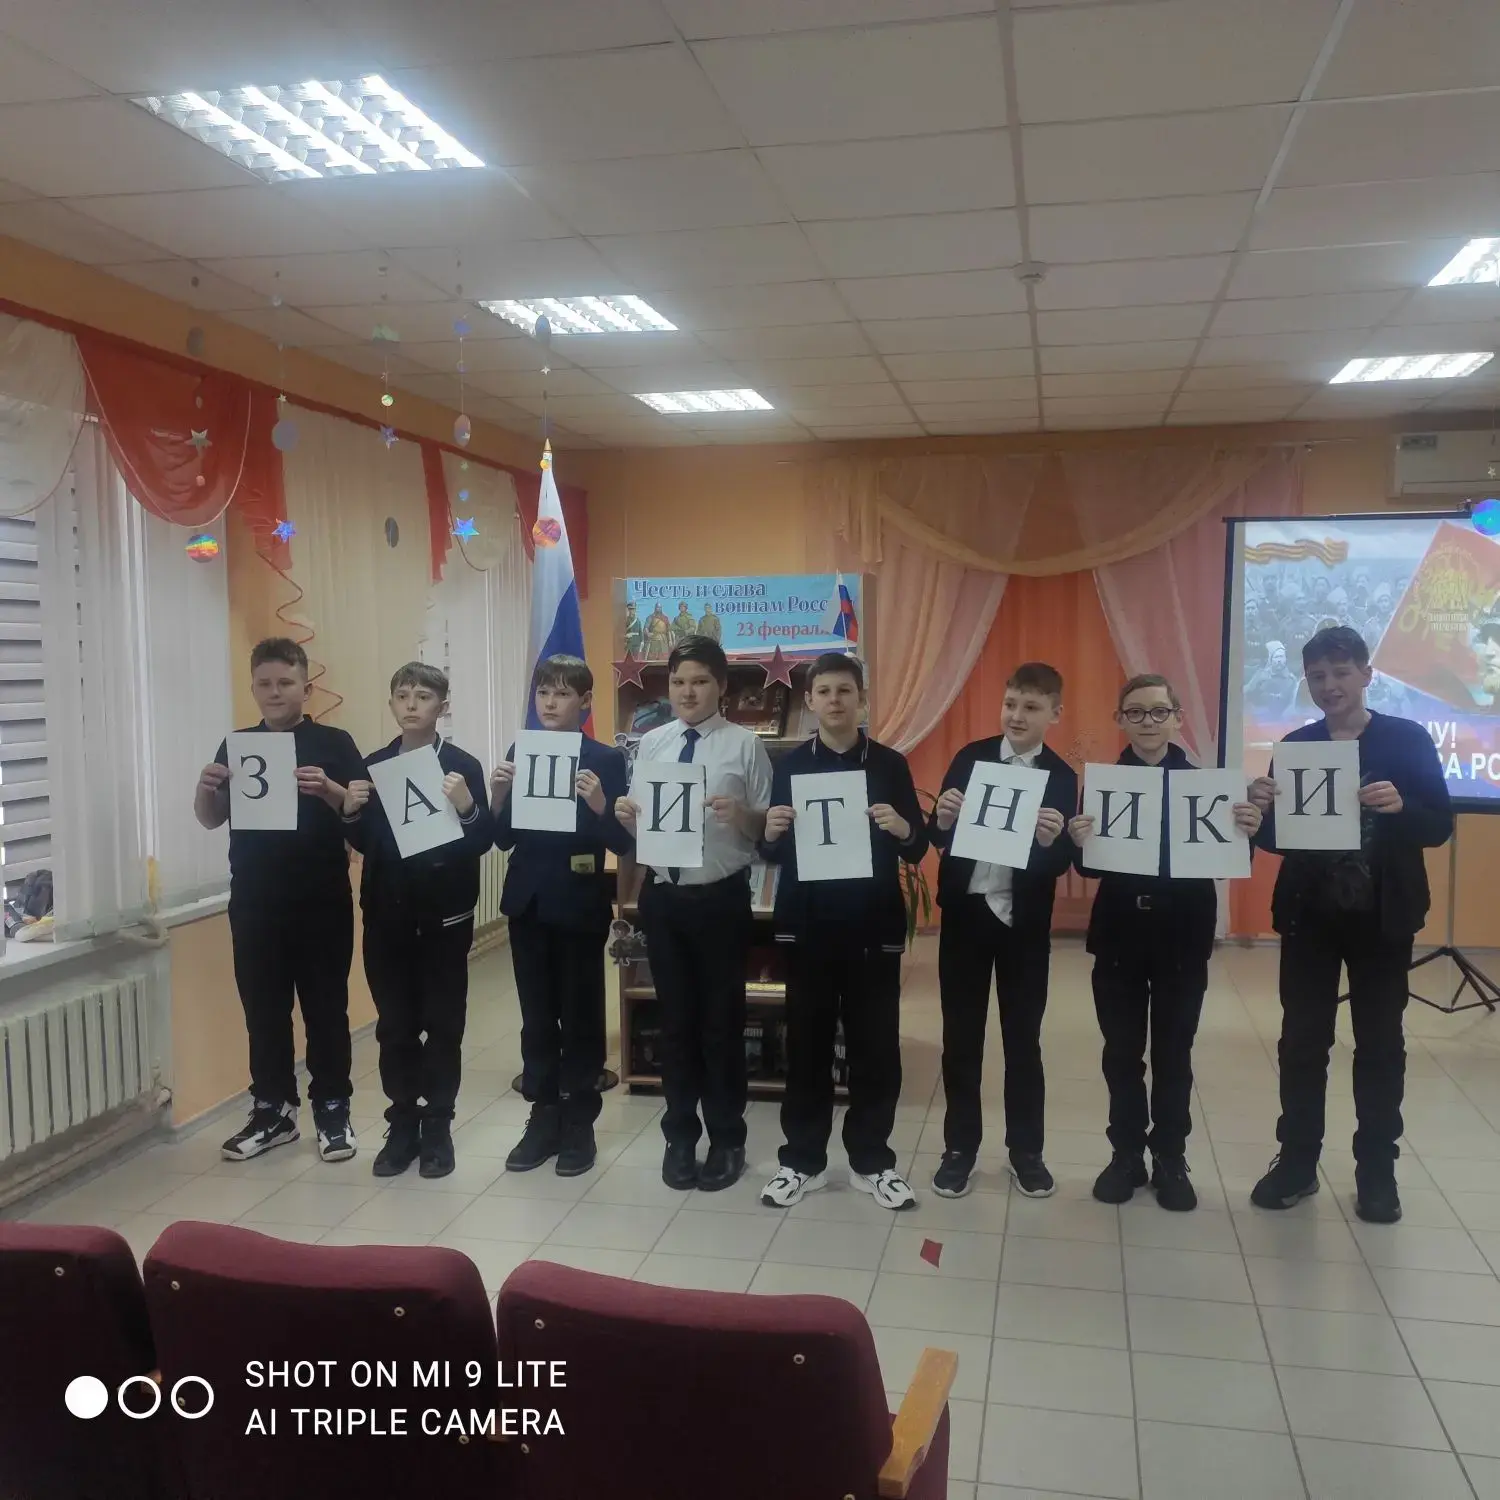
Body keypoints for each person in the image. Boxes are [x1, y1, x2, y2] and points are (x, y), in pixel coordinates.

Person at [1247, 626, 1453, 1224]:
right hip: (1309, 915)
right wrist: (1260, 811)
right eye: (1317, 676)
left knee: (1380, 1043)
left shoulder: (1406, 739)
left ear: (1366, 674)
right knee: (1301, 1042)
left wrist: (1402, 807)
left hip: (1383, 918)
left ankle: (1376, 1171)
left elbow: (1437, 825)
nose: (1329, 685)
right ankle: (1297, 1162)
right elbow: (1279, 838)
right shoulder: (1297, 744)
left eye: (1340, 672)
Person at [1070, 675, 1261, 1212]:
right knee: (1121, 1053)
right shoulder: (1105, 785)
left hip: (1182, 935)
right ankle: (1126, 1154)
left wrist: (1246, 831)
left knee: (1175, 1053)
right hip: (1119, 934)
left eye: (1159, 711)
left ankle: (1171, 1157)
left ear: (1177, 718)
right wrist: (1078, 841)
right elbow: (1088, 866)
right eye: (1136, 712)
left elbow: (1226, 861)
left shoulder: (1207, 788)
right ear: (1120, 720)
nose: (1148, 722)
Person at [757, 653, 928, 1210]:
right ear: (809, 702)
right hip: (808, 927)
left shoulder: (890, 764)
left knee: (875, 1048)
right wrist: (771, 832)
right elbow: (772, 851)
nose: (834, 700)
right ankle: (801, 1161)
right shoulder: (789, 766)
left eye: (845, 691)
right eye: (824, 692)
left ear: (862, 699)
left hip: (872, 926)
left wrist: (903, 828)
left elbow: (917, 846)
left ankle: (872, 1161)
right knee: (806, 1046)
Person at [193, 637, 364, 1163]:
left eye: (285, 682)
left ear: (306, 688)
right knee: (263, 1011)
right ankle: (273, 1111)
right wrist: (205, 789)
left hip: (321, 900)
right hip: (255, 902)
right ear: (252, 688)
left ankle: (332, 1109)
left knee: (326, 1009)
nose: (274, 692)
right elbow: (210, 818)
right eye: (264, 683)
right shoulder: (237, 745)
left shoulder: (335, 742)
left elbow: (363, 820)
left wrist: (332, 790)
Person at [616, 636, 773, 1193]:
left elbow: (766, 831)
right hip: (663, 899)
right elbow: (640, 826)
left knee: (721, 1025)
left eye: (700, 681)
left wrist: (742, 814)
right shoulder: (651, 743)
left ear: (721, 687)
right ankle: (680, 1137)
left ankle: (727, 1138)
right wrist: (625, 814)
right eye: (679, 681)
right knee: (676, 1024)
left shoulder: (745, 746)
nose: (687, 691)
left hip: (720, 899)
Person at [927, 662, 1078, 1199]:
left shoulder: (1062, 777)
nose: (1017, 716)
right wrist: (943, 819)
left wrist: (1051, 841)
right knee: (960, 1038)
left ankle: (1026, 1151)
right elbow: (938, 835)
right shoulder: (970, 758)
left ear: (1054, 714)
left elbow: (1061, 862)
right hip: (965, 918)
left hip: (1023, 926)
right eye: (1011, 704)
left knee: (1023, 1041)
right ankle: (959, 1148)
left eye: (1031, 707)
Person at [340, 663, 493, 1180]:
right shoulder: (374, 765)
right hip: (388, 915)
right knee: (395, 1026)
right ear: (391, 704)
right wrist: (350, 813)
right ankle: (403, 1121)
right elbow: (368, 843)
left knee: (444, 1024)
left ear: (442, 707)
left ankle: (438, 1124)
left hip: (445, 916)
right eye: (402, 695)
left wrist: (467, 806)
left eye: (423, 696)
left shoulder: (461, 765)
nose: (411, 704)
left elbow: (482, 840)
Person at [493, 655, 632, 1178]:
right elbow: (502, 838)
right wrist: (498, 795)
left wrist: (599, 805)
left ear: (585, 701)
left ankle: (579, 1121)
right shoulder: (521, 751)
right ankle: (543, 1114)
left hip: (578, 901)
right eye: (543, 693)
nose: (550, 703)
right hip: (528, 902)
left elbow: (622, 843)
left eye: (562, 694)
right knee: (536, 1017)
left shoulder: (606, 759)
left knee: (580, 1016)